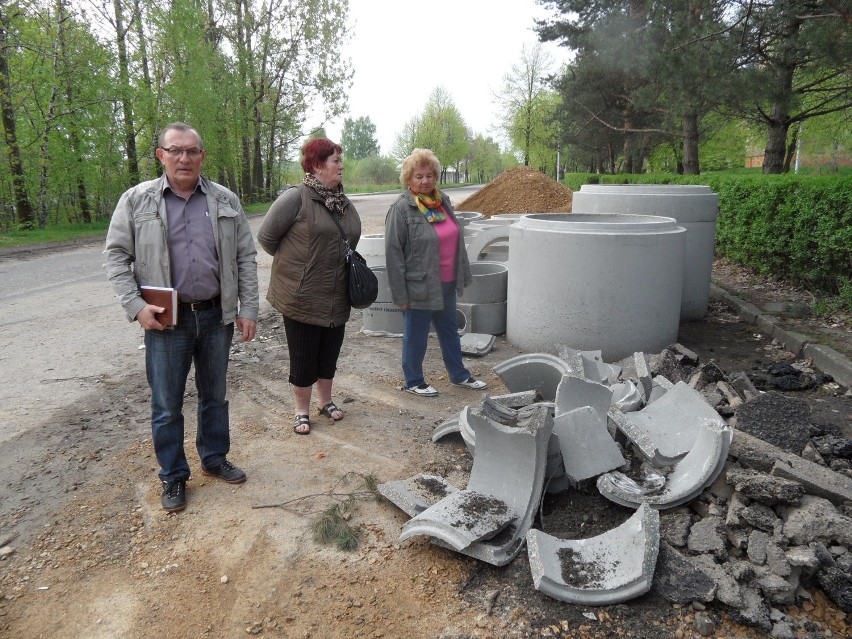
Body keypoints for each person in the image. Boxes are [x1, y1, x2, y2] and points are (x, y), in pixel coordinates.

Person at [105, 122, 259, 513]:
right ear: (161, 155)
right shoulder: (137, 200)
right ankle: (173, 476)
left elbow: (245, 257)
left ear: (202, 156)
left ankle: (214, 458)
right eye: (175, 150)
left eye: (192, 151)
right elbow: (116, 258)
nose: (184, 158)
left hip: (214, 316)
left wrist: (248, 309)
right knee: (167, 405)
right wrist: (136, 307)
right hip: (165, 322)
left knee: (214, 396)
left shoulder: (225, 200)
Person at [257, 138, 361, 435]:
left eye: (341, 159)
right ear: (316, 165)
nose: (341, 165)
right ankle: (301, 410)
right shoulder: (296, 198)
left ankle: (325, 401)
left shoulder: (342, 201)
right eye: (335, 160)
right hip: (301, 295)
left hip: (337, 292)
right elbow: (267, 238)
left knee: (329, 353)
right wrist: (299, 269)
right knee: (303, 355)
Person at [384, 148, 487, 397]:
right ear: (409, 179)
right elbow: (393, 253)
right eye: (418, 176)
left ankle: (459, 375)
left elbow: (455, 240)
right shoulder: (402, 209)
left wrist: (462, 273)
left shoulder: (443, 202)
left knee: (450, 332)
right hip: (419, 285)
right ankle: (413, 380)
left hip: (447, 281)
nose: (425, 181)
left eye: (429, 175)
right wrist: (400, 294)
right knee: (416, 336)